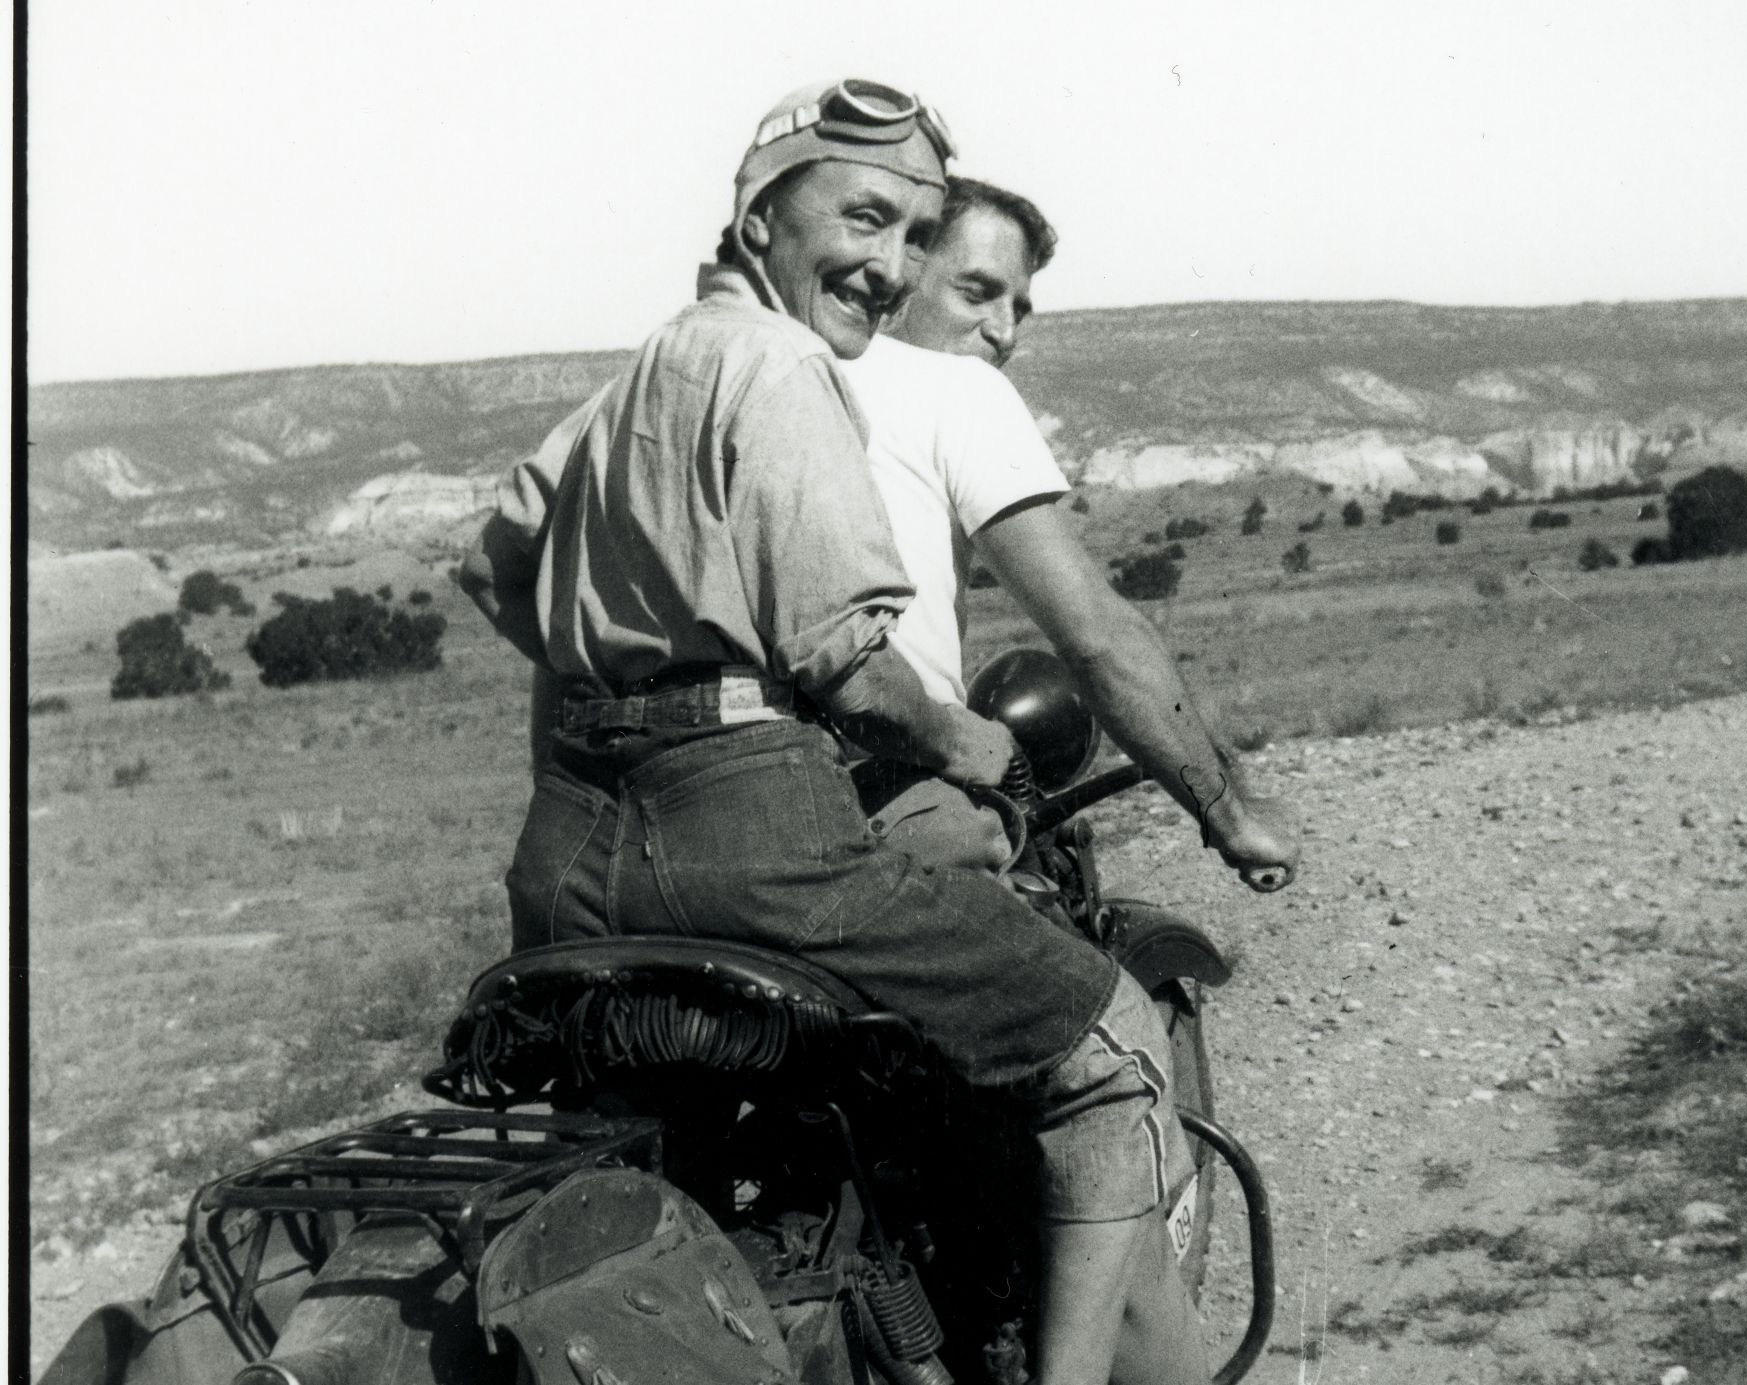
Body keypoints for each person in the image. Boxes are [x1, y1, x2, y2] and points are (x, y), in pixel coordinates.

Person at [459, 79, 1209, 1385]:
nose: (891, 265)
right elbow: (847, 660)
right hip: (754, 837)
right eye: (865, 218)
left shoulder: (638, 376)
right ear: (761, 214)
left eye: (914, 236)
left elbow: (491, 563)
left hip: (567, 853)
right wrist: (963, 744)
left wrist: (623, 671)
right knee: (1112, 1047)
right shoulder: (783, 367)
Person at [838, 175, 1299, 894]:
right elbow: (1096, 639)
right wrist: (1231, 815)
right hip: (875, 803)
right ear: (906, 267)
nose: (1004, 331)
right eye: (976, 293)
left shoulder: (773, 373)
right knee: (1076, 969)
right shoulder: (956, 388)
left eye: (1017, 306)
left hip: (692, 798)